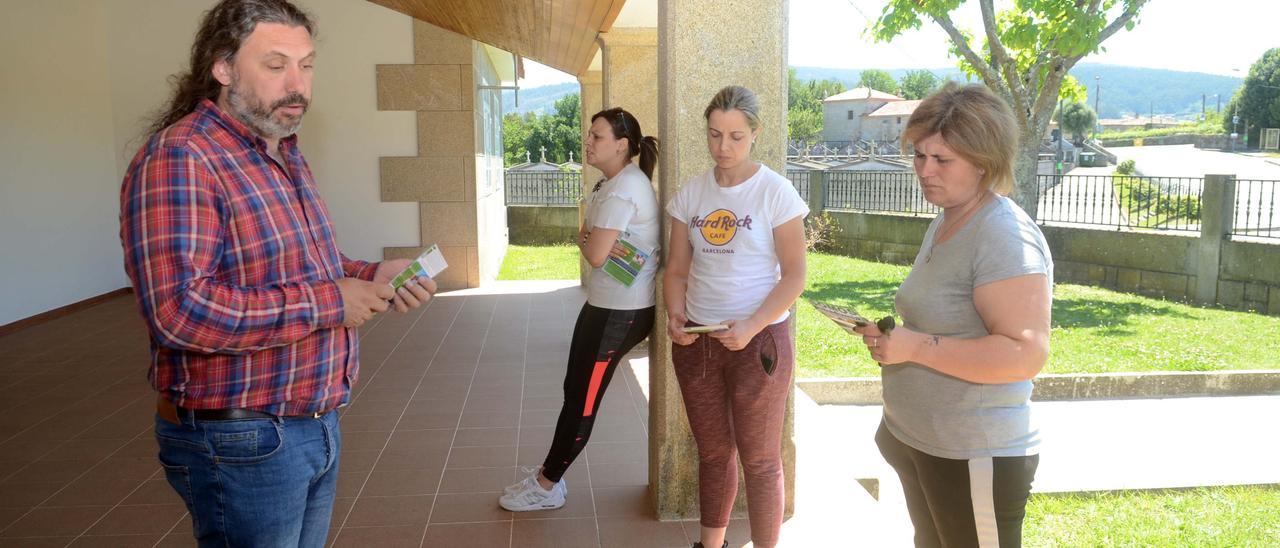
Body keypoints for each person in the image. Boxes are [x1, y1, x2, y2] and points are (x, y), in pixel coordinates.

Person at [118, 1, 436, 545]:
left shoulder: (281, 149)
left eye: (307, 65)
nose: (298, 85)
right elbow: (180, 312)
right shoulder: (183, 157)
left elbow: (305, 264)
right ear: (222, 67)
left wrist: (372, 271)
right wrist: (331, 302)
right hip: (242, 439)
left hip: (309, 423)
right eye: (276, 65)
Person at [854, 82, 1053, 548]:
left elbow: (1025, 353)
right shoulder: (949, 216)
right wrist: (893, 342)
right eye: (919, 156)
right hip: (924, 444)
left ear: (985, 162)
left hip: (972, 453)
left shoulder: (1003, 235)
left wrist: (916, 346)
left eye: (942, 160)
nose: (925, 171)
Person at [664, 86, 808, 548]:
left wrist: (753, 325)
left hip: (759, 343)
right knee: (712, 453)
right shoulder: (692, 194)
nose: (723, 148)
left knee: (761, 459)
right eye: (714, 135)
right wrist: (674, 316)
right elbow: (677, 270)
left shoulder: (775, 192)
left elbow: (794, 276)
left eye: (736, 137)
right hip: (699, 343)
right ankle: (712, 545)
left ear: (755, 135)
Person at [499, 107, 660, 511]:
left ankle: (547, 485)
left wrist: (587, 239)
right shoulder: (612, 183)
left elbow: (594, 252)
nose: (588, 142)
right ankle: (550, 474)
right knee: (575, 390)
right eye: (589, 134)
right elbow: (593, 246)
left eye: (598, 137)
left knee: (582, 401)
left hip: (620, 313)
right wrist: (588, 239)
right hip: (604, 306)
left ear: (622, 146)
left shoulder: (624, 189)